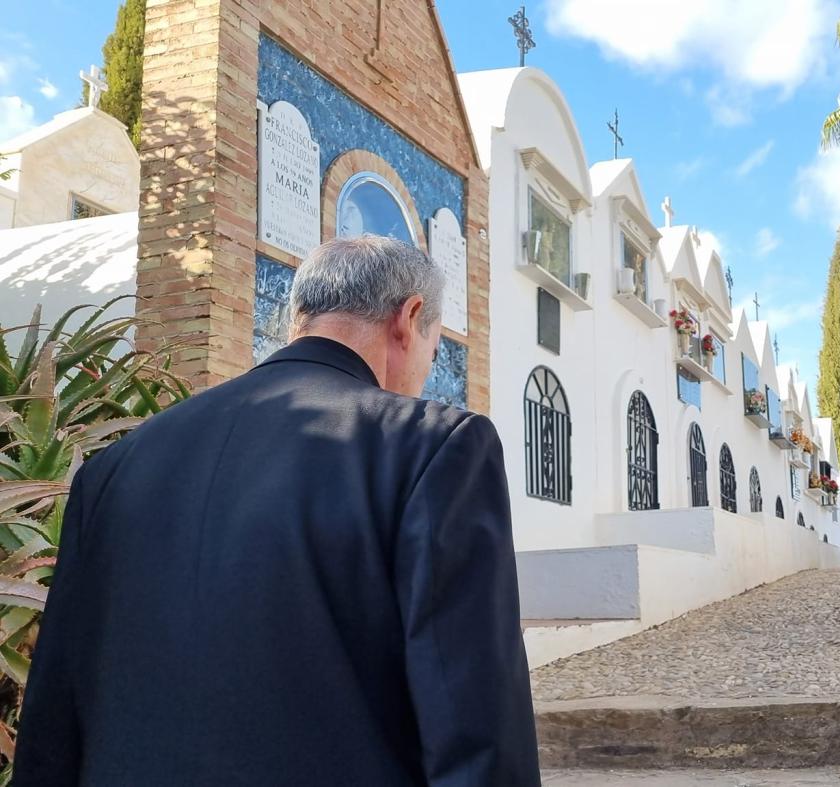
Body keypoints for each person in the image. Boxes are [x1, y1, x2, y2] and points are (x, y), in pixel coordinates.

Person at [14, 236, 541, 786]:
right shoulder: (433, 446)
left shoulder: (113, 468)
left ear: (298, 319)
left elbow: (55, 716)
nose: (425, 374)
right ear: (409, 318)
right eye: (434, 351)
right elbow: (474, 723)